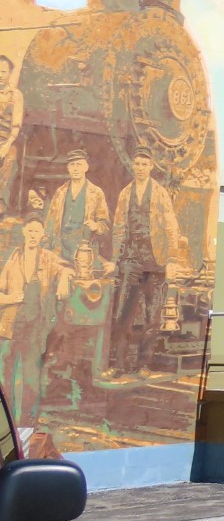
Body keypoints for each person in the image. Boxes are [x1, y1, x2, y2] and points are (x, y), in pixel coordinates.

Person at [106, 147, 189, 376]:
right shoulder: (125, 193)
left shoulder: (160, 193)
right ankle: (117, 365)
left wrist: (172, 260)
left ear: (151, 166)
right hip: (131, 261)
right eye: (137, 164)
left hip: (155, 262)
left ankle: (144, 364)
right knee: (123, 312)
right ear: (133, 166)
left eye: (144, 164)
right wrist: (115, 259)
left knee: (153, 315)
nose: (140, 168)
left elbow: (171, 227)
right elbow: (118, 228)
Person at [0, 216, 72, 423]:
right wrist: (10, 298)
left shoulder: (48, 258)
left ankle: (27, 423)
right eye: (29, 231)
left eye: (37, 232)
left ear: (42, 235)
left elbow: (66, 267)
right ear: (24, 232)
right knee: (4, 376)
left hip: (34, 327)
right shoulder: (12, 257)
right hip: (10, 327)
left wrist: (64, 278)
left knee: (32, 376)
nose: (33, 236)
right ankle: (6, 422)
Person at [43, 149, 111, 269]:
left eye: (79, 164)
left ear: (86, 167)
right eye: (72, 165)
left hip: (84, 251)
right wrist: (46, 246)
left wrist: (96, 226)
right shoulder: (60, 192)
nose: (75, 168)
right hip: (61, 250)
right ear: (68, 168)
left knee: (81, 285)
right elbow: (49, 223)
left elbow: (105, 225)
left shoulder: (96, 193)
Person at [0, 55, 22, 213]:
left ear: (10, 73)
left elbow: (16, 125)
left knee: (10, 159)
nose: (0, 75)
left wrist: (7, 145)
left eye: (3, 71)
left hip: (5, 140)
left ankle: (1, 204)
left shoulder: (15, 95)